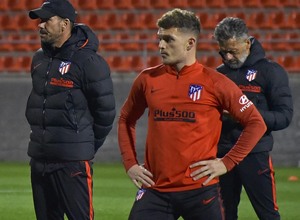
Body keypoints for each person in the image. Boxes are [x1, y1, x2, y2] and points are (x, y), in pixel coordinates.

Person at [118, 9, 267, 220]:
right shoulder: (147, 79)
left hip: (201, 190)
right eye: (160, 39)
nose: (161, 45)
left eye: (169, 39)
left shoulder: (216, 82)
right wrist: (130, 163)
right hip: (156, 190)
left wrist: (226, 162)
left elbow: (255, 123)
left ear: (190, 43)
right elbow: (125, 118)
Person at [25, 0, 116, 219]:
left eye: (47, 20)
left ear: (65, 24)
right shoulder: (39, 58)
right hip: (39, 159)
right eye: (40, 20)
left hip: (72, 162)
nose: (40, 25)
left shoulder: (89, 61)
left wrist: (82, 147)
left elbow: (106, 112)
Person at [214, 17, 293, 220]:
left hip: (255, 154)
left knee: (268, 215)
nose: (228, 56)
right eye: (223, 52)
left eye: (233, 50)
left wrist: (244, 115)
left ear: (247, 43)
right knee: (222, 215)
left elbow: (284, 116)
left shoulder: (271, 72)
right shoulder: (217, 76)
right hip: (222, 154)